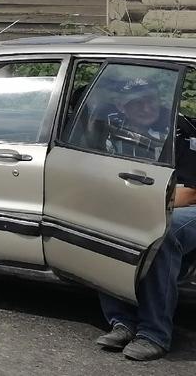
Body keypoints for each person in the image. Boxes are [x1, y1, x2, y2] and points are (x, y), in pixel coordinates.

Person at [94, 82, 196, 361]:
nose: (145, 107)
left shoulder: (181, 132)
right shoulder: (111, 131)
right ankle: (122, 322)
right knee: (106, 227)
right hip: (150, 204)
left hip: (185, 207)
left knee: (161, 234)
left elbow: (188, 193)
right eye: (136, 103)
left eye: (150, 100)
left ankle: (154, 335)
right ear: (121, 107)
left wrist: (141, 202)